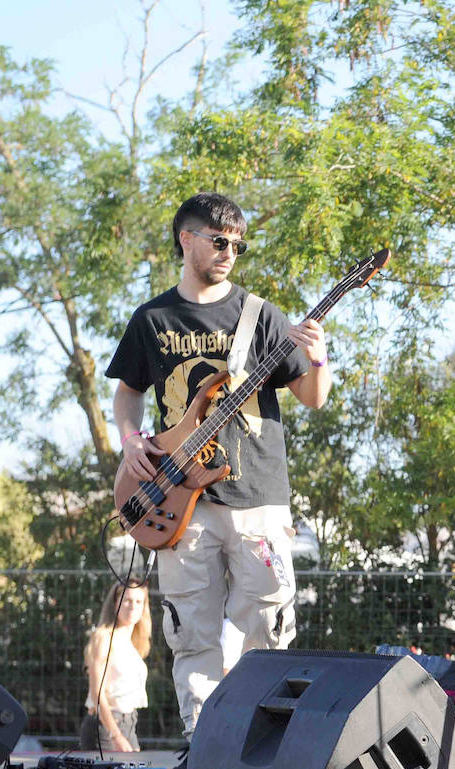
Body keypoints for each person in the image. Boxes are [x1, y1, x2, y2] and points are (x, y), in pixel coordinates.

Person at [106, 192, 331, 740]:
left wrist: (320, 353)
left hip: (258, 491)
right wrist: (132, 439)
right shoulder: (153, 318)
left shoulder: (261, 315)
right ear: (187, 240)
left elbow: (313, 396)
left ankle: (263, 742)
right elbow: (127, 395)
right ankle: (202, 743)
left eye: (238, 243)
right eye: (219, 240)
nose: (230, 251)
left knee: (267, 625)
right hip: (181, 496)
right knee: (192, 629)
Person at [81, 581, 152, 753]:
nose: (132, 606)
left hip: (129, 723)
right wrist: (116, 735)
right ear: (115, 603)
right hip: (106, 727)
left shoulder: (134, 643)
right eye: (126, 600)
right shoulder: (104, 638)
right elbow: (97, 694)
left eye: (138, 601)